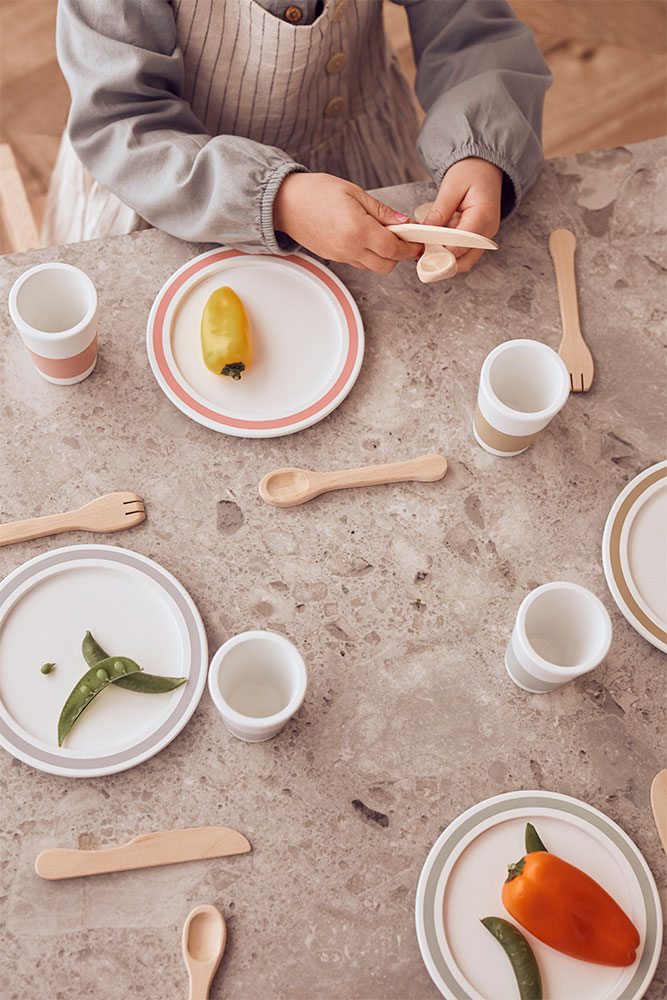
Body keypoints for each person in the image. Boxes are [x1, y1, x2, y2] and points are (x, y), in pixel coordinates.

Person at [44, 0, 551, 275]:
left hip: (359, 153)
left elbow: (469, 22)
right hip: (171, 181)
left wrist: (482, 151)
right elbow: (121, 117)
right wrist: (277, 199)